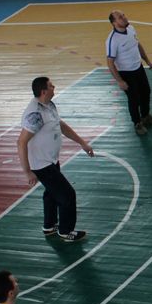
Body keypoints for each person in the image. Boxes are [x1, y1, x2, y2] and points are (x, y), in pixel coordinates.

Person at [18, 76, 94, 242]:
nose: (54, 87)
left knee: (51, 193)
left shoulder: (49, 105)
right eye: (51, 86)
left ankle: (49, 225)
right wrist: (27, 172)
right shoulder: (35, 115)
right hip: (42, 164)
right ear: (44, 91)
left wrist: (82, 143)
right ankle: (66, 231)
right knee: (67, 195)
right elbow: (21, 142)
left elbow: (60, 125)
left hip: (51, 160)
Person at [105, 11, 152, 136]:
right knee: (134, 99)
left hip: (138, 68)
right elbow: (110, 63)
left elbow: (137, 44)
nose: (124, 18)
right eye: (120, 17)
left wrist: (147, 61)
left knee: (146, 92)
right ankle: (137, 123)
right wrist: (120, 81)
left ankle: (145, 116)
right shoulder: (112, 40)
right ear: (114, 23)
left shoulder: (131, 29)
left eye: (123, 15)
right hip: (126, 73)